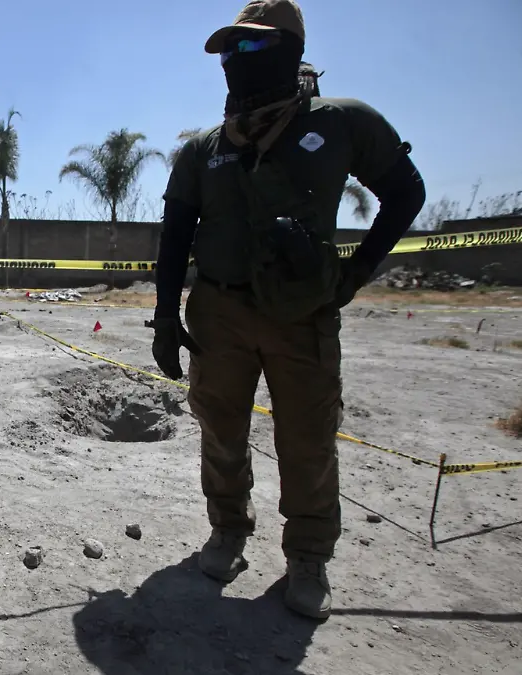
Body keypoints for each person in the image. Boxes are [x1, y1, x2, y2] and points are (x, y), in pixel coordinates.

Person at [151, 0, 426, 620]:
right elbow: (175, 234)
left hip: (302, 316)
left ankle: (308, 558)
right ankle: (227, 530)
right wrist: (166, 317)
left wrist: (354, 273)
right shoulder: (205, 148)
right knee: (221, 431)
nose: (235, 60)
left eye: (251, 46)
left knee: (307, 441)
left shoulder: (341, 123)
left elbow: (406, 191)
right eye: (229, 50)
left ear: (291, 50)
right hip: (219, 315)